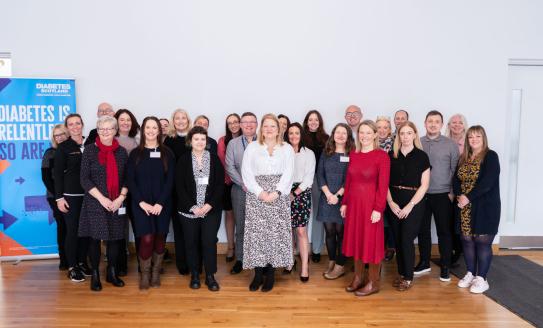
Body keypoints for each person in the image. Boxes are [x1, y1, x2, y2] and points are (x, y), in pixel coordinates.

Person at [241, 114, 294, 292]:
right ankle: (257, 274)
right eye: (266, 126)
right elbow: (246, 172)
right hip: (257, 197)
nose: (269, 129)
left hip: (279, 196)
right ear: (261, 129)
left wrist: (277, 192)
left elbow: (289, 172)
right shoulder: (252, 147)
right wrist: (260, 192)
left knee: (275, 234)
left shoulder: (286, 148)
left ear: (279, 129)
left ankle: (270, 274)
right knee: (257, 235)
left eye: (273, 126)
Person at [78, 116, 129, 291]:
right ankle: (95, 274)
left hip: (117, 202)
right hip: (95, 201)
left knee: (115, 239)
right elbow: (84, 179)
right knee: (95, 239)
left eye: (109, 129)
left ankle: (111, 272)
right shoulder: (90, 151)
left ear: (115, 130)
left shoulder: (122, 152)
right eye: (101, 129)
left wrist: (120, 198)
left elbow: (127, 178)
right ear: (97, 131)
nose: (105, 132)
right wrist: (102, 198)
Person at [341, 120, 390, 296]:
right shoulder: (353, 154)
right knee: (356, 240)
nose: (364, 136)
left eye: (368, 132)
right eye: (362, 132)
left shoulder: (381, 156)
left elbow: (383, 186)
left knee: (371, 241)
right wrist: (345, 202)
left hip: (371, 207)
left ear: (375, 134)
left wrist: (378, 209)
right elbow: (349, 181)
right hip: (354, 205)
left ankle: (373, 282)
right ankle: (358, 278)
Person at [126, 117, 175, 290]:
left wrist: (160, 203)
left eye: (155, 127)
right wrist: (141, 203)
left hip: (162, 204)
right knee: (146, 238)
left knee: (160, 238)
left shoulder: (167, 153)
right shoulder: (135, 154)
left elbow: (170, 181)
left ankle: (155, 273)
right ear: (143, 129)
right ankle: (144, 274)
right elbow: (130, 180)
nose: (152, 130)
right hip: (141, 205)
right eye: (148, 127)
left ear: (159, 131)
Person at [177, 126, 224, 291]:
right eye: (196, 139)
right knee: (191, 243)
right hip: (188, 211)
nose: (200, 142)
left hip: (210, 210)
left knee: (209, 242)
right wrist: (193, 207)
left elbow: (220, 185)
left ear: (206, 141)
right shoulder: (183, 160)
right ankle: (195, 274)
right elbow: (179, 187)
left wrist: (208, 205)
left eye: (203, 139)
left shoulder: (214, 159)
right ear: (191, 141)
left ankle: (210, 275)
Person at [453, 125, 500, 294]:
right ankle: (471, 273)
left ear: (483, 139)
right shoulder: (464, 157)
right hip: (464, 206)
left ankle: (482, 278)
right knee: (467, 240)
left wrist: (468, 197)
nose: (473, 140)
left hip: (485, 206)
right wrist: (459, 195)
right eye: (470, 137)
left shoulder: (490, 156)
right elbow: (456, 179)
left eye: (477, 137)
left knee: (482, 241)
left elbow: (488, 182)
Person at [386, 121, 430, 291]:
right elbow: (384, 183)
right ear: (398, 136)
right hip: (394, 200)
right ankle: (401, 273)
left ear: (414, 135)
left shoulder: (421, 156)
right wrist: (390, 202)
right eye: (402, 133)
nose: (405, 136)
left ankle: (408, 277)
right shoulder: (391, 155)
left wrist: (410, 205)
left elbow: (424, 185)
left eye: (409, 133)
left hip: (414, 202)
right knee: (397, 239)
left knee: (406, 238)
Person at [416, 110, 459, 282]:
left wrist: (452, 193)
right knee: (423, 231)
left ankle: (446, 266)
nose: (433, 124)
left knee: (444, 232)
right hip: (422, 195)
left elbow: (455, 171)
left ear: (442, 125)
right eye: (430, 121)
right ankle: (424, 262)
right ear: (425, 123)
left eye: (437, 121)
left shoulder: (450, 144)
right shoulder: (417, 143)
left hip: (443, 195)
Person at [54, 113, 91, 282]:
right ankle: (72, 266)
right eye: (71, 124)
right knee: (73, 231)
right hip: (71, 196)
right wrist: (59, 198)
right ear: (67, 128)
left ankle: (83, 261)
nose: (75, 126)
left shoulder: (91, 143)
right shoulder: (64, 147)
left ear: (82, 124)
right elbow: (58, 175)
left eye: (78, 123)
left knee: (86, 231)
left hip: (91, 195)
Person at [317, 123, 354, 280]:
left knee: (341, 232)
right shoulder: (326, 153)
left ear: (348, 136)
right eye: (337, 132)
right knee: (330, 232)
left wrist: (337, 195)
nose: (340, 135)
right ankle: (332, 261)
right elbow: (320, 174)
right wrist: (327, 193)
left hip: (343, 199)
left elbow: (351, 178)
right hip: (326, 198)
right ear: (333, 135)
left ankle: (341, 264)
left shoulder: (352, 154)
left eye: (343, 133)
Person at [225, 112, 258, 274]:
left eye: (252, 122)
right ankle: (240, 259)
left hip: (261, 192)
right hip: (240, 190)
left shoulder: (264, 142)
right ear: (241, 125)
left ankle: (260, 260)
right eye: (245, 122)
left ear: (257, 124)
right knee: (241, 226)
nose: (248, 125)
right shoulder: (233, 143)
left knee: (260, 226)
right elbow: (229, 167)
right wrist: (243, 184)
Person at [164, 108, 192, 275]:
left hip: (194, 192)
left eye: (184, 118)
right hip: (175, 192)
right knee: (179, 229)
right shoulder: (168, 141)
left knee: (193, 229)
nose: (181, 121)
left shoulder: (194, 138)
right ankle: (182, 263)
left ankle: (194, 260)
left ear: (188, 120)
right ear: (173, 121)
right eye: (177, 118)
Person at [286, 122, 315, 282]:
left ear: (301, 135)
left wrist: (295, 193)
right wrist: (286, 192)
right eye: (291, 133)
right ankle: (289, 261)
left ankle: (304, 266)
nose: (294, 136)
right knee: (287, 230)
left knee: (301, 231)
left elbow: (309, 177)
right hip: (284, 191)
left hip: (302, 192)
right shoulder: (282, 151)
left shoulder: (308, 153)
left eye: (297, 133)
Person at [114, 108, 140, 275]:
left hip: (135, 190)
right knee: (119, 228)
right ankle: (120, 264)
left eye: (128, 120)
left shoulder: (137, 142)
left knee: (138, 226)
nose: (125, 122)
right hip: (117, 191)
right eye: (122, 119)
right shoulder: (111, 140)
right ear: (116, 122)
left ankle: (141, 261)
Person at [302, 110, 329, 263]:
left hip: (319, 179)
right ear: (306, 121)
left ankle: (317, 249)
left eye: (316, 120)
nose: (313, 122)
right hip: (302, 179)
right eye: (310, 119)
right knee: (300, 215)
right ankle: (300, 248)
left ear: (320, 122)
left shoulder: (326, 139)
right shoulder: (299, 137)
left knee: (318, 214)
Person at [41, 124, 69, 270]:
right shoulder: (50, 153)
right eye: (56, 135)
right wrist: (59, 196)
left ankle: (75, 259)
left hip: (73, 196)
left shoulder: (73, 151)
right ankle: (64, 259)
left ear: (67, 134)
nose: (59, 137)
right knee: (62, 227)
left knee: (74, 228)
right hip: (55, 197)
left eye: (62, 134)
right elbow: (46, 178)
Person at [217, 113, 241, 262]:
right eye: (230, 123)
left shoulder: (249, 139)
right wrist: (232, 179)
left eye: (235, 122)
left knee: (244, 217)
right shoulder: (222, 141)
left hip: (245, 184)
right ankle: (231, 247)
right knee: (230, 215)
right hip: (227, 183)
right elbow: (223, 162)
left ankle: (243, 248)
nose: (233, 125)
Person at [445, 113, 468, 263]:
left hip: (462, 188)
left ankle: (460, 251)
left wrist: (457, 192)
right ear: (449, 125)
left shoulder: (469, 143)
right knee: (448, 222)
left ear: (464, 125)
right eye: (453, 122)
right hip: (445, 187)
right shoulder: (444, 141)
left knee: (459, 222)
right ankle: (452, 251)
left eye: (460, 122)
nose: (457, 125)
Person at [376, 116, 395, 261]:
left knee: (388, 220)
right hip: (373, 187)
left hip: (391, 188)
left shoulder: (395, 146)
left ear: (390, 130)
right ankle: (375, 249)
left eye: (385, 127)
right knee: (376, 220)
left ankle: (389, 247)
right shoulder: (370, 145)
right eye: (379, 127)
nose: (382, 130)